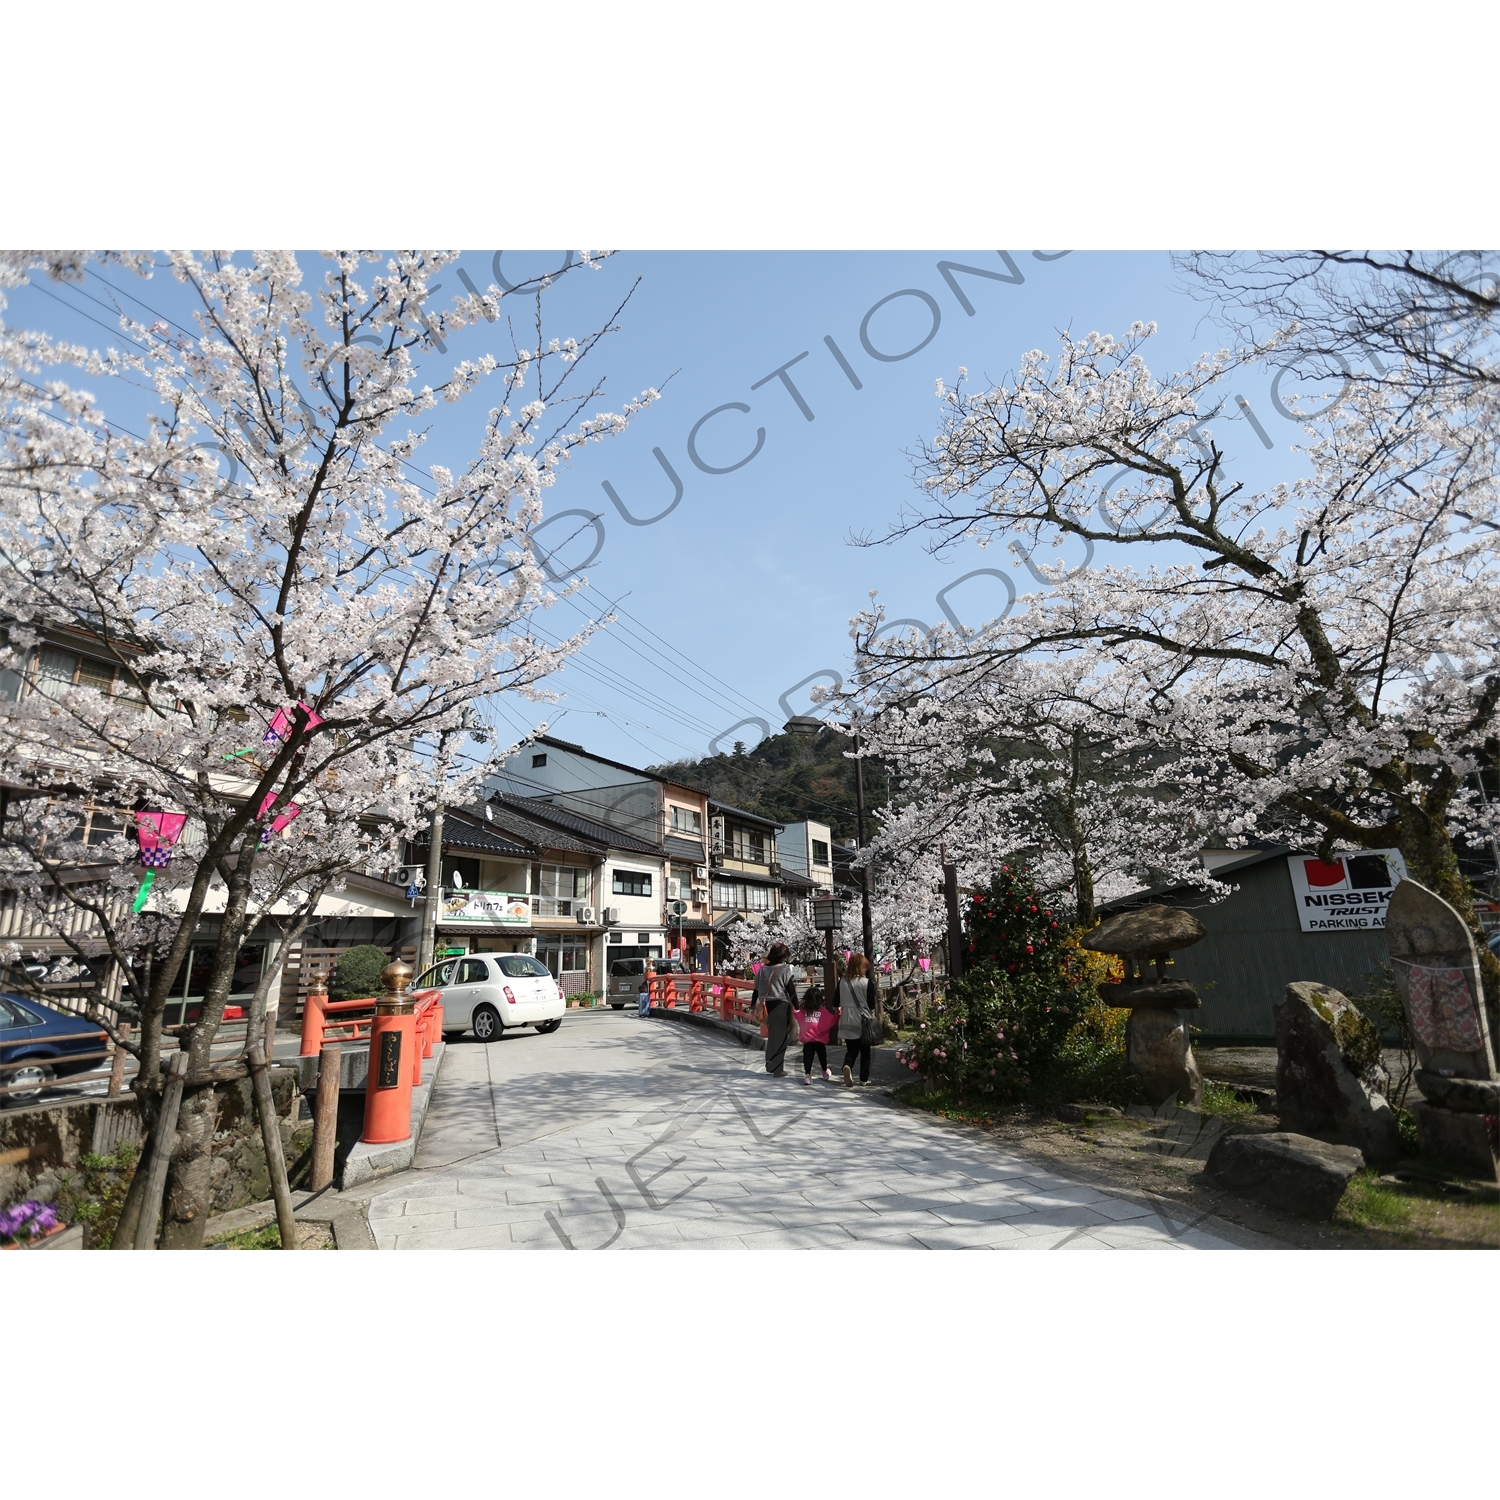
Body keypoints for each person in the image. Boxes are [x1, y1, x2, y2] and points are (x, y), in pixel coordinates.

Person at [753, 943, 799, 1076]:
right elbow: (791, 990)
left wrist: (753, 1005)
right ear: (783, 956)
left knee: (773, 1036)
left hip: (766, 1006)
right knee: (780, 1038)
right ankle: (777, 1069)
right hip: (780, 1005)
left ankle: (770, 1065)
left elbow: (756, 990)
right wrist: (797, 1007)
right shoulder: (784, 969)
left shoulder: (762, 970)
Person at [838, 952, 876, 1087]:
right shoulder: (866, 983)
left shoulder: (842, 981)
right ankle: (863, 1079)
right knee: (865, 1051)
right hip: (862, 1018)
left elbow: (835, 1000)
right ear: (861, 967)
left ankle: (847, 1065)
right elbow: (871, 1004)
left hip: (846, 1018)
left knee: (851, 1049)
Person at [793, 984, 839, 1083]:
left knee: (807, 1058)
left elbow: (796, 1013)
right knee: (822, 1056)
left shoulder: (803, 1012)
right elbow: (832, 1020)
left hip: (808, 1040)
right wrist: (838, 1013)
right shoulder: (823, 1011)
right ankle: (824, 1071)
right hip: (820, 1040)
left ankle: (807, 1075)